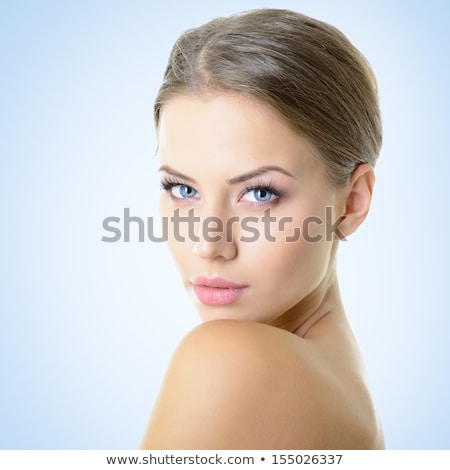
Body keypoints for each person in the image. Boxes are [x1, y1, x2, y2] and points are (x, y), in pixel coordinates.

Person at [141, 8, 384, 450]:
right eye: (181, 188)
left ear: (351, 202)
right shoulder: (342, 388)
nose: (207, 243)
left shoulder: (230, 361)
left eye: (259, 194)